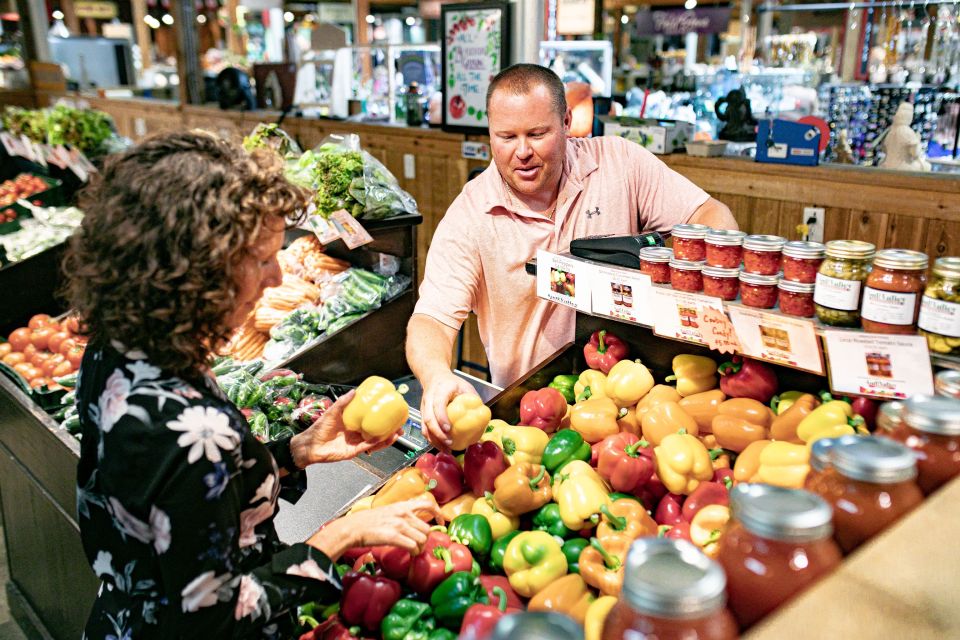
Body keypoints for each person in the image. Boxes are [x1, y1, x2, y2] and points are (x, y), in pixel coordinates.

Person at [64, 131, 436, 639]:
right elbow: (213, 616)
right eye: (261, 259)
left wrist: (295, 451)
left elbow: (186, 503)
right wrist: (337, 537)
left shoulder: (117, 351)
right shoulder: (188, 427)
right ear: (194, 271)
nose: (275, 276)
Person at [407, 63, 737, 449]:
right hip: (532, 414)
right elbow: (430, 319)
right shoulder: (472, 213)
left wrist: (686, 278)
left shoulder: (620, 163)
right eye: (506, 137)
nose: (523, 152)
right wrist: (435, 376)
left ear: (567, 121)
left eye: (537, 133)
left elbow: (713, 217)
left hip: (641, 402)